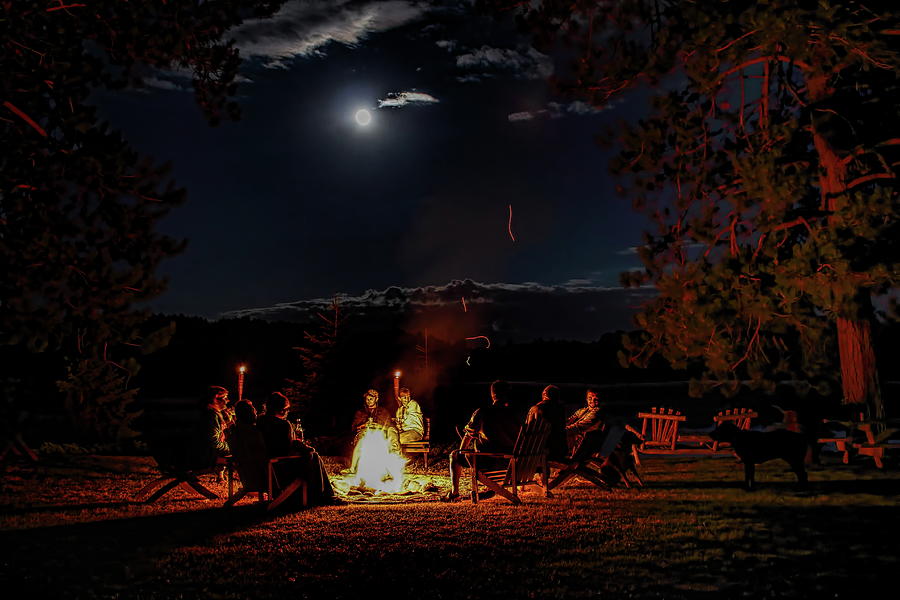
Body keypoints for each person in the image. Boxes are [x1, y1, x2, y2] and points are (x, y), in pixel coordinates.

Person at [442, 380, 522, 502]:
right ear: (508, 394)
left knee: (454, 455)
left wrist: (462, 451)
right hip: (513, 464)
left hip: (490, 462)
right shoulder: (516, 414)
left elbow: (468, 435)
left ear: (492, 394)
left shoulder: (483, 412)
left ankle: (455, 493)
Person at [526, 385, 567, 462]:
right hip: (560, 451)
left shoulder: (536, 409)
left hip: (540, 452)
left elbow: (529, 431)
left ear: (544, 395)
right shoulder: (560, 409)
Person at [565, 388, 604, 457]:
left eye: (596, 399)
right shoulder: (582, 410)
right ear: (586, 399)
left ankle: (573, 459)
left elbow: (580, 426)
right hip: (577, 443)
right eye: (590, 398)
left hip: (589, 445)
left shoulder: (598, 412)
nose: (592, 401)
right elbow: (569, 420)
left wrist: (561, 431)